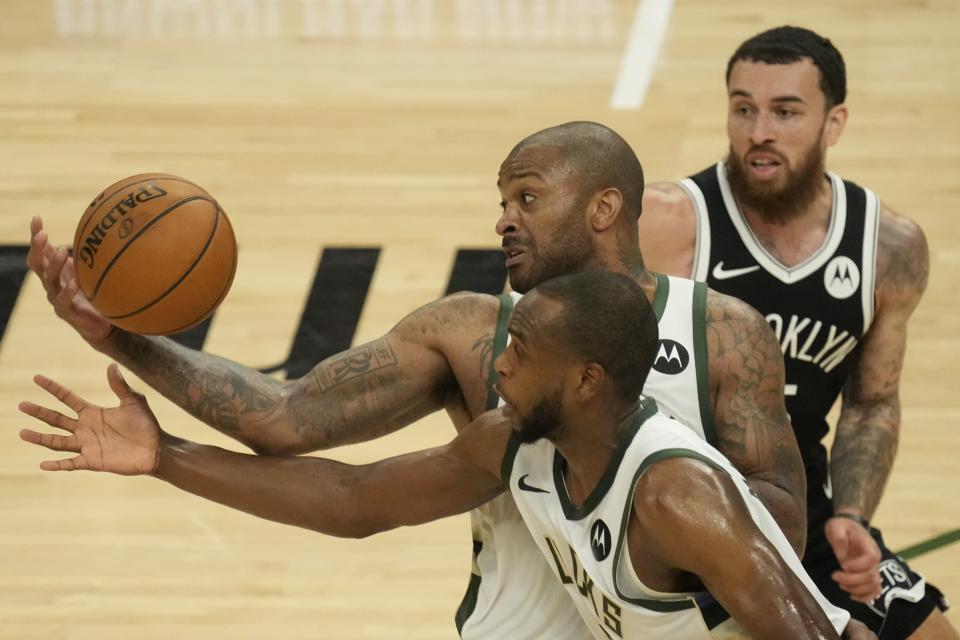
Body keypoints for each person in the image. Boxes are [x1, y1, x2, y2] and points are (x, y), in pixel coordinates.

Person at [28, 121, 822, 638]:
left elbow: (782, 529)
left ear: (606, 206)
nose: (504, 218)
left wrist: (659, 513)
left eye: (528, 198)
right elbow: (302, 443)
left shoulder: (721, 333)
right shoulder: (478, 345)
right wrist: (122, 344)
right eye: (502, 200)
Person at [20, 270, 869, 639]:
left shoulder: (677, 496)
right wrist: (165, 455)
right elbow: (352, 504)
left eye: (521, 346)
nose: (498, 358)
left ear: (584, 380)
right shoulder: (514, 443)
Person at [638, 26, 953, 640]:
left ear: (833, 123)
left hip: (797, 505)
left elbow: (872, 398)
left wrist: (854, 517)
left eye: (786, 111)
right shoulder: (669, 225)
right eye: (743, 108)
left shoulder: (889, 248)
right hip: (676, 514)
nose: (760, 131)